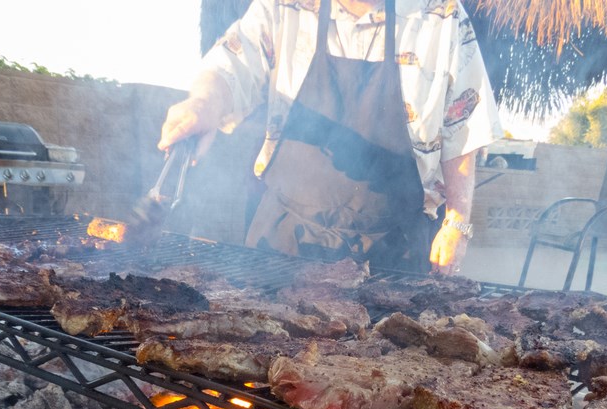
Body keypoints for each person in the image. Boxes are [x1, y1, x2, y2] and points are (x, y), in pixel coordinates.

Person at [159, 0, 503, 275]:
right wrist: (202, 104)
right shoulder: (284, 6)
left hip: (395, 250)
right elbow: (230, 65)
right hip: (282, 240)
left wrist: (457, 221)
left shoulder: (441, 14)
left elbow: (463, 127)